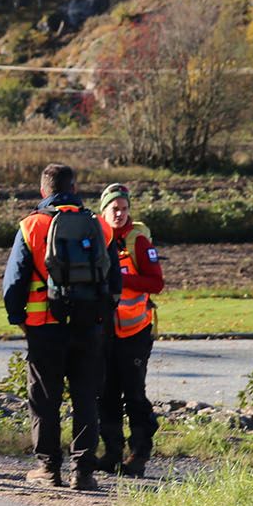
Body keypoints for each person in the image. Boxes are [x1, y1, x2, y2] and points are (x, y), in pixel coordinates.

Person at [2, 163, 121, 491]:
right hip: (87, 327)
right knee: (85, 399)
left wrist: (19, 319)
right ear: (75, 188)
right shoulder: (100, 226)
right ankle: (83, 472)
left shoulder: (30, 226)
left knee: (44, 399)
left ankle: (49, 468)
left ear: (43, 191)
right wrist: (100, 317)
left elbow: (13, 284)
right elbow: (115, 282)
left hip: (44, 327)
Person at [95, 183, 164, 478]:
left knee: (134, 394)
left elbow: (156, 283)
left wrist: (119, 281)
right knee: (106, 393)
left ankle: (139, 454)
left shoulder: (138, 241)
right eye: (115, 208)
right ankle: (111, 453)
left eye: (124, 209)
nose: (120, 214)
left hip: (135, 332)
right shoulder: (95, 237)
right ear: (104, 211)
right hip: (104, 331)